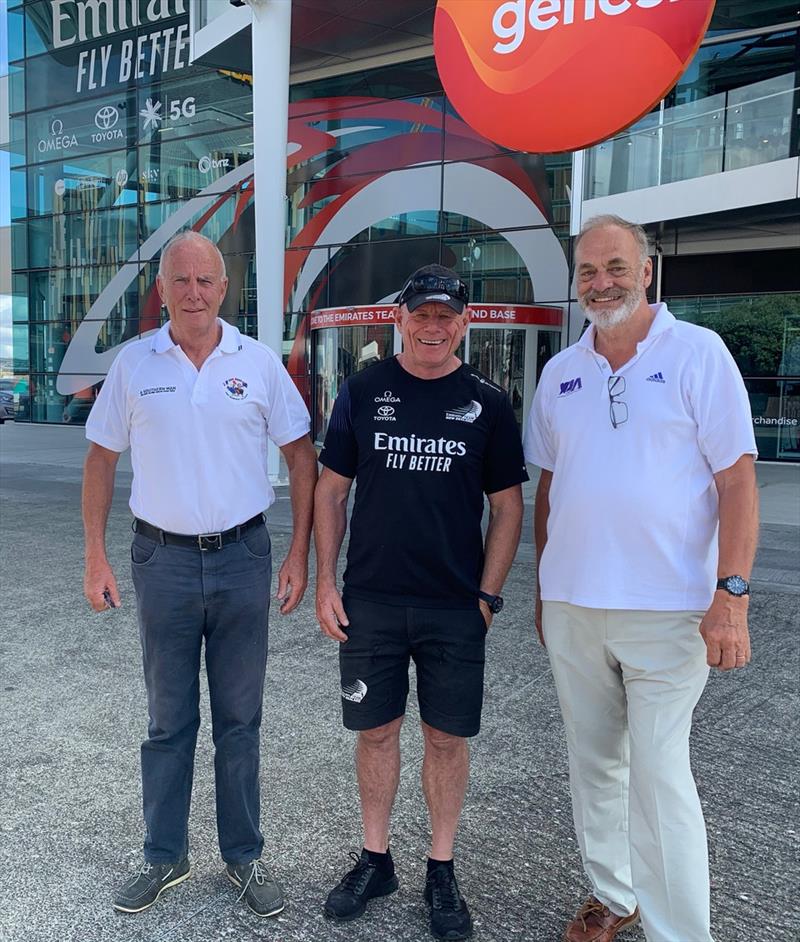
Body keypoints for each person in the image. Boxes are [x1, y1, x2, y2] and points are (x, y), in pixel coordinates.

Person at [524, 215, 759, 942]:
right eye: (589, 272)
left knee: (660, 781)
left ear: (646, 271)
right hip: (574, 604)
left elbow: (738, 482)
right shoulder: (562, 372)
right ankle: (614, 895)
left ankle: (682, 934)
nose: (602, 284)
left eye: (616, 267)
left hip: (672, 612)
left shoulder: (699, 354)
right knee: (593, 765)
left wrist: (733, 596)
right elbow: (549, 488)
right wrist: (543, 588)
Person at [81, 230, 317, 917]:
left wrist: (298, 552)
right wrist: (95, 555)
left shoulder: (259, 363)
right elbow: (99, 460)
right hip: (163, 562)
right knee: (167, 719)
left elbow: (302, 458)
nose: (193, 293)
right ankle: (165, 856)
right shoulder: (134, 365)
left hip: (243, 558)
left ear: (224, 289)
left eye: (205, 281)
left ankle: (243, 858)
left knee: (240, 720)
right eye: (179, 281)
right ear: (162, 291)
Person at [314, 264, 527, 941]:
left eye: (446, 315)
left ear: (464, 322)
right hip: (371, 601)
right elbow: (329, 493)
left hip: (453, 608)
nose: (433, 326)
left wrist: (487, 597)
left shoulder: (488, 404)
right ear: (400, 320)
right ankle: (376, 859)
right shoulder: (362, 390)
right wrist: (325, 579)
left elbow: (508, 508)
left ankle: (441, 867)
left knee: (446, 739)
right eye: (422, 314)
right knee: (375, 732)